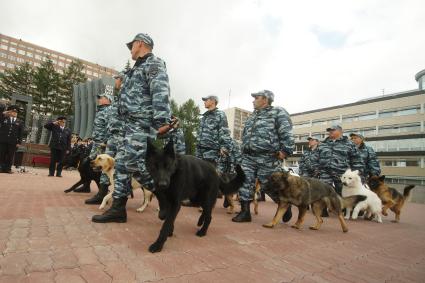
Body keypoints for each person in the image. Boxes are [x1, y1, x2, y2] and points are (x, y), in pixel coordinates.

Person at [91, 33, 171, 223]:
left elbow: (160, 90)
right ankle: (158, 197)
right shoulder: (136, 70)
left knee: (128, 166)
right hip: (129, 125)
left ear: (140, 44)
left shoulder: (154, 63)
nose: (130, 50)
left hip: (140, 124)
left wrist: (162, 121)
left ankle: (161, 198)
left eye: (132, 46)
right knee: (132, 167)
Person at [232, 90, 295, 223]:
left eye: (256, 97)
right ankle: (245, 212)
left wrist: (285, 151)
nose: (253, 100)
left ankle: (285, 204)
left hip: (268, 157)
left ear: (265, 100)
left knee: (269, 185)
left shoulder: (278, 112)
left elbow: (287, 132)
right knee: (244, 181)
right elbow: (245, 136)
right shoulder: (252, 116)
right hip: (248, 157)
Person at [85, 72, 125, 204]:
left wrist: (105, 140)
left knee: (118, 168)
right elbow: (110, 125)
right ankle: (102, 194)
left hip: (119, 139)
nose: (115, 82)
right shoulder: (117, 100)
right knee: (104, 166)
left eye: (117, 79)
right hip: (111, 140)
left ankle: (118, 198)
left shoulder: (125, 96)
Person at [312, 124, 364, 195]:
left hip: (342, 175)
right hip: (325, 174)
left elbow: (357, 160)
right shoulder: (323, 144)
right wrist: (316, 169)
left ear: (340, 131)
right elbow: (315, 158)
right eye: (329, 130)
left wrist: (356, 173)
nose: (330, 132)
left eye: (333, 130)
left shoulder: (349, 144)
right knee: (323, 195)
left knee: (343, 195)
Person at [196, 95, 232, 167]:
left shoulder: (220, 114)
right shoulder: (204, 117)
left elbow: (224, 132)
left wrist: (224, 148)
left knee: (209, 175)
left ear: (213, 101)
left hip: (211, 152)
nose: (204, 102)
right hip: (199, 152)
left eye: (206, 100)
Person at [0, 105, 24, 173]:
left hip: (13, 142)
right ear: (10, 112)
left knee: (10, 155)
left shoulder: (20, 122)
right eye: (12, 112)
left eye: (15, 112)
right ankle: (1, 168)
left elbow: (20, 133)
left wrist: (19, 142)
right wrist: (4, 113)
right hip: (3, 140)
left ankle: (8, 169)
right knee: (2, 154)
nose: (14, 113)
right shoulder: (4, 118)